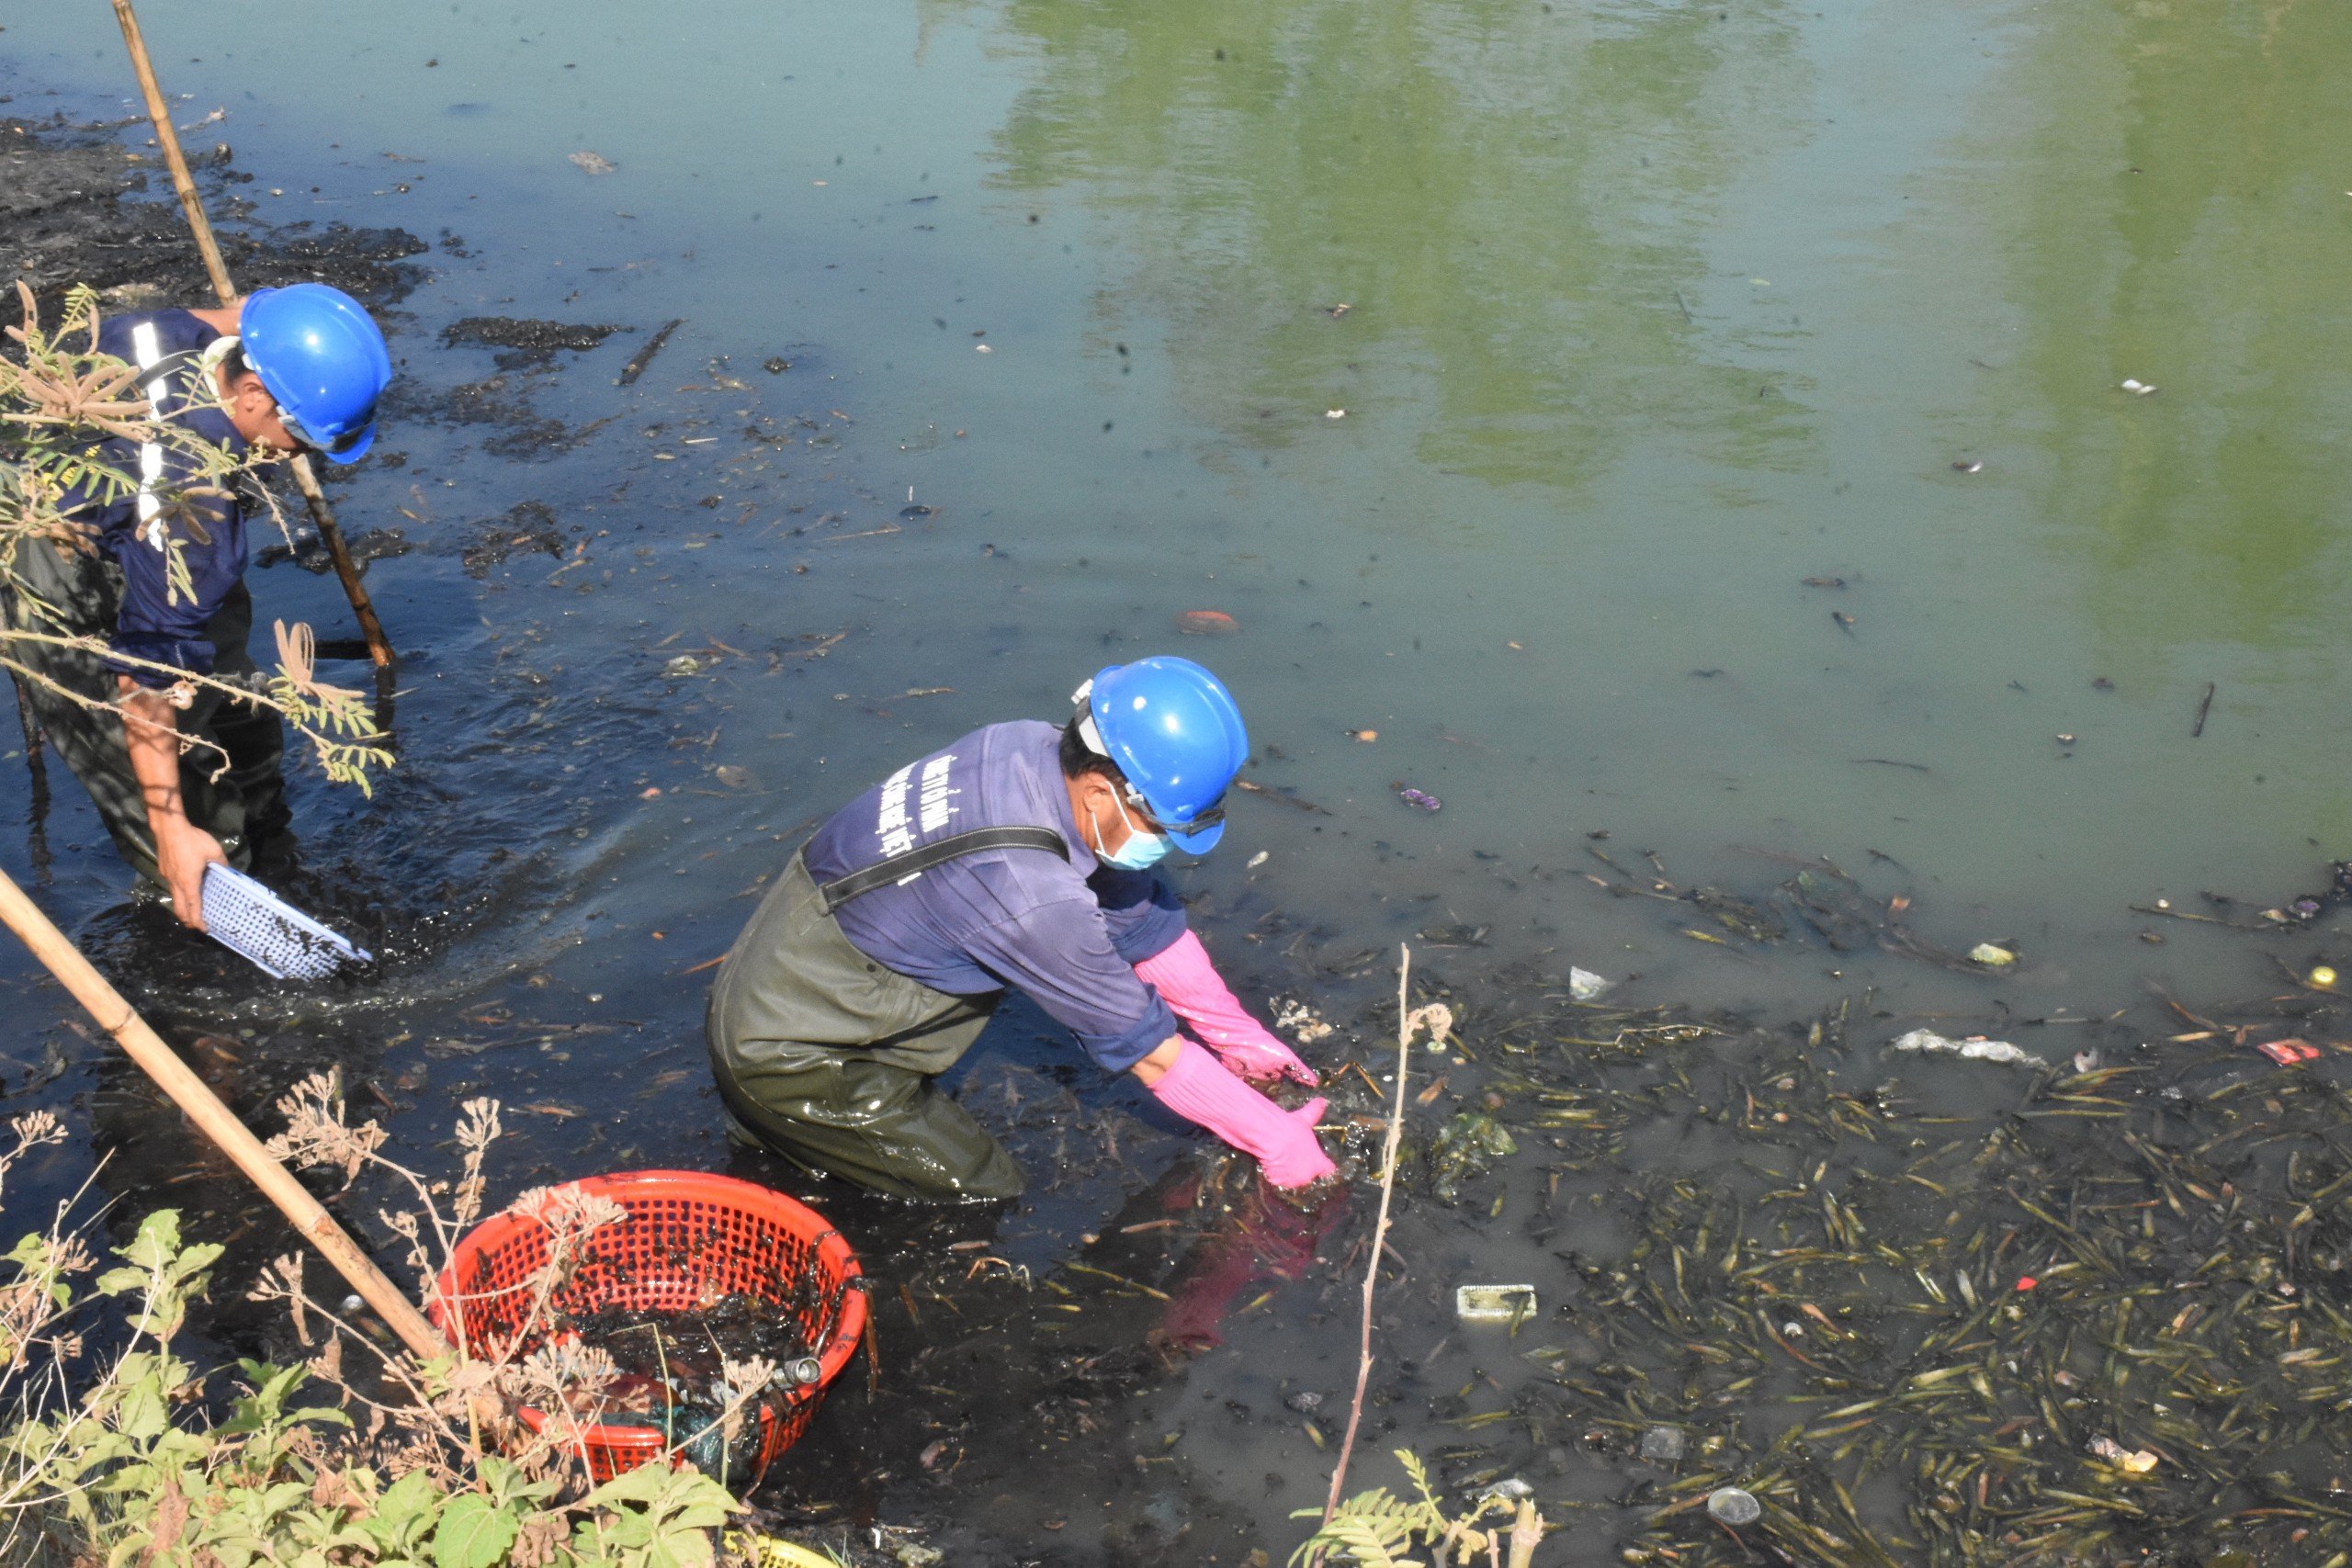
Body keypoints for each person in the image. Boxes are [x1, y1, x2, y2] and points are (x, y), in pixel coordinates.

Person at [707, 656, 1336, 1201]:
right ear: (1099, 791)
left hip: (795, 954)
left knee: (794, 1154)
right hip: (793, 1050)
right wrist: (1276, 1140)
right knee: (981, 1188)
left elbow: (1137, 915)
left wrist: (1235, 1034)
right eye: (1166, 828)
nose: (1169, 846)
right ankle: (790, 1130)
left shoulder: (1026, 748)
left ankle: (782, 1143)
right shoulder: (1032, 897)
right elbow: (1148, 1051)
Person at [1, 284, 392, 930]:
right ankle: (204, 897)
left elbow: (251, 309)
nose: (296, 455)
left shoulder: (174, 332)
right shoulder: (194, 517)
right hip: (47, 545)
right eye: (299, 438)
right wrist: (172, 826)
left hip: (136, 512)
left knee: (241, 706)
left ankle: (272, 846)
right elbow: (146, 676)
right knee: (166, 791)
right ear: (252, 396)